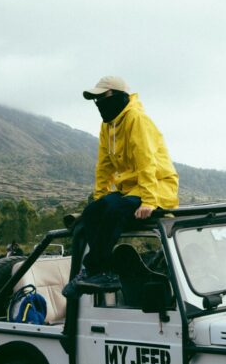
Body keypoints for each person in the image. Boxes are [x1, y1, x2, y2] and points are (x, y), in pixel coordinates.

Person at [75, 76, 178, 288]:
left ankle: (97, 269)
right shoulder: (108, 126)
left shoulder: (136, 119)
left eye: (103, 97)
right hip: (131, 189)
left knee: (114, 211)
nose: (99, 103)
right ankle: (99, 272)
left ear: (119, 95)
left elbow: (146, 162)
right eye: (96, 99)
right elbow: (104, 166)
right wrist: (100, 200)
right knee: (92, 212)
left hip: (157, 186)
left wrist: (149, 201)